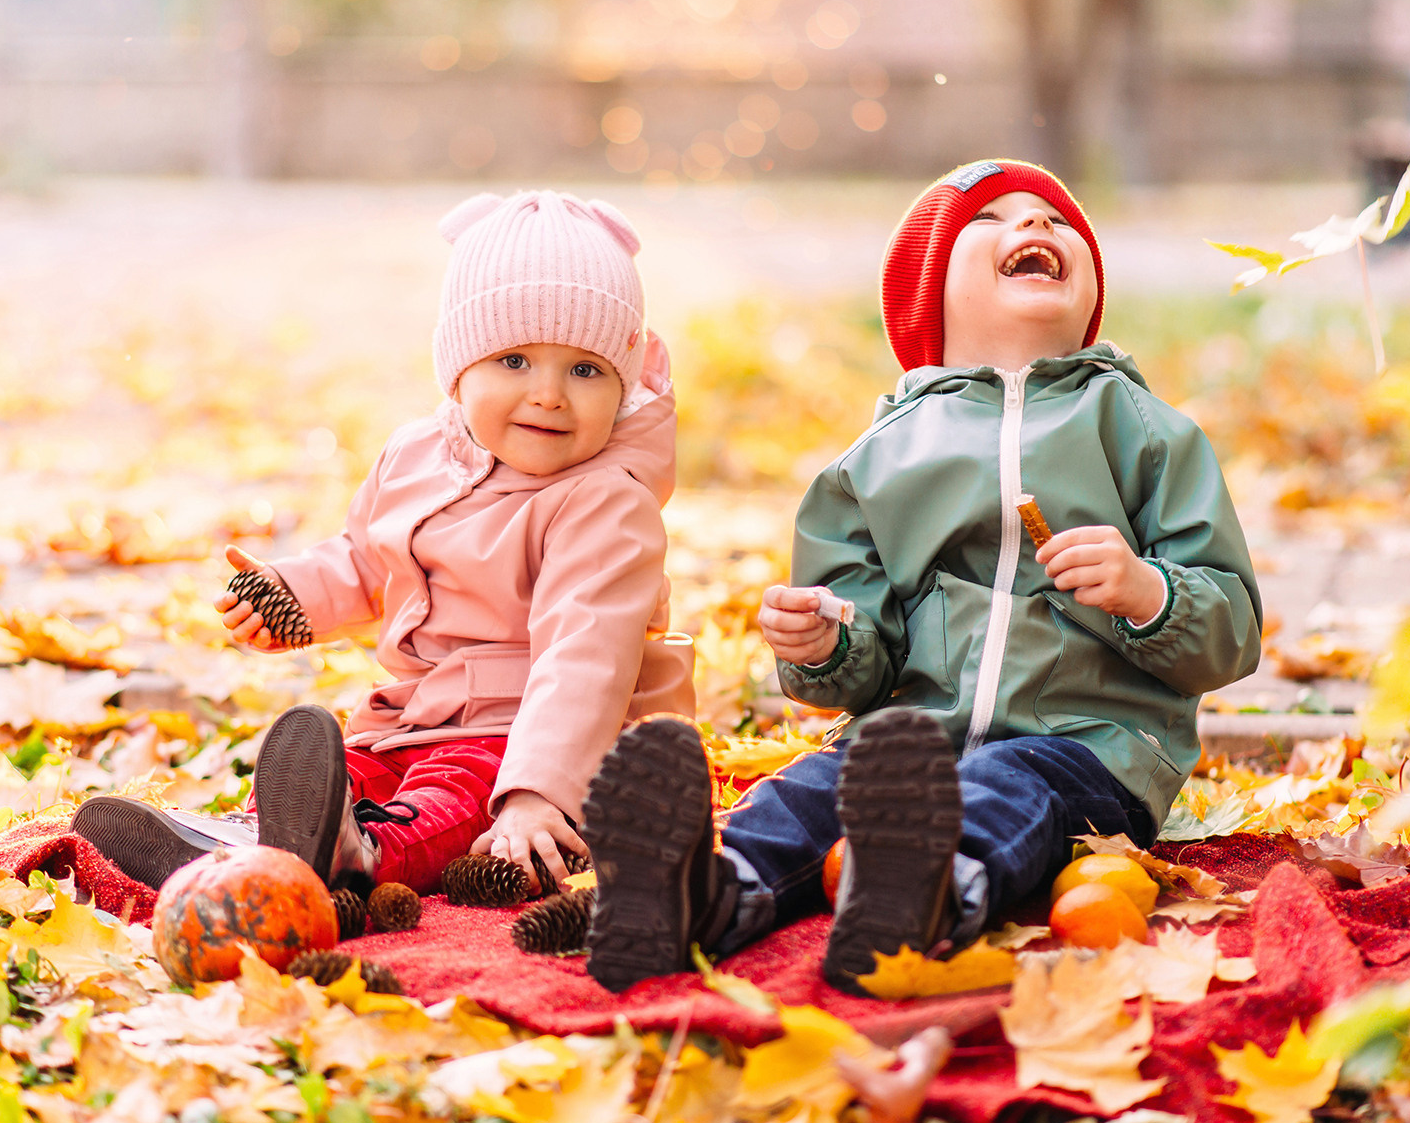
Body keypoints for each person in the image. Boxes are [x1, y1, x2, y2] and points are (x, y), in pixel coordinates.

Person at [581, 160, 1261, 993]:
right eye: (998, 218)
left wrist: (1147, 594)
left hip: (1088, 748)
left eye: (1056, 221)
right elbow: (858, 660)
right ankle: (701, 892)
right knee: (809, 791)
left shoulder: (1147, 432)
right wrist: (826, 642)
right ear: (930, 290)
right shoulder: (877, 461)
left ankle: (925, 891)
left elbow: (1231, 630)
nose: (1037, 227)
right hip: (899, 748)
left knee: (1011, 788)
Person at [75, 190, 693, 896]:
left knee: (449, 798)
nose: (549, 393)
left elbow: (586, 660)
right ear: (461, 368)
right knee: (347, 766)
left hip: (530, 737)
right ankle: (258, 840)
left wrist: (537, 789)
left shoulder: (606, 503)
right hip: (408, 715)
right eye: (515, 360)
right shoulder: (418, 456)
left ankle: (358, 855)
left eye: (584, 370)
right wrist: (296, 595)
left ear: (623, 382)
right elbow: (368, 557)